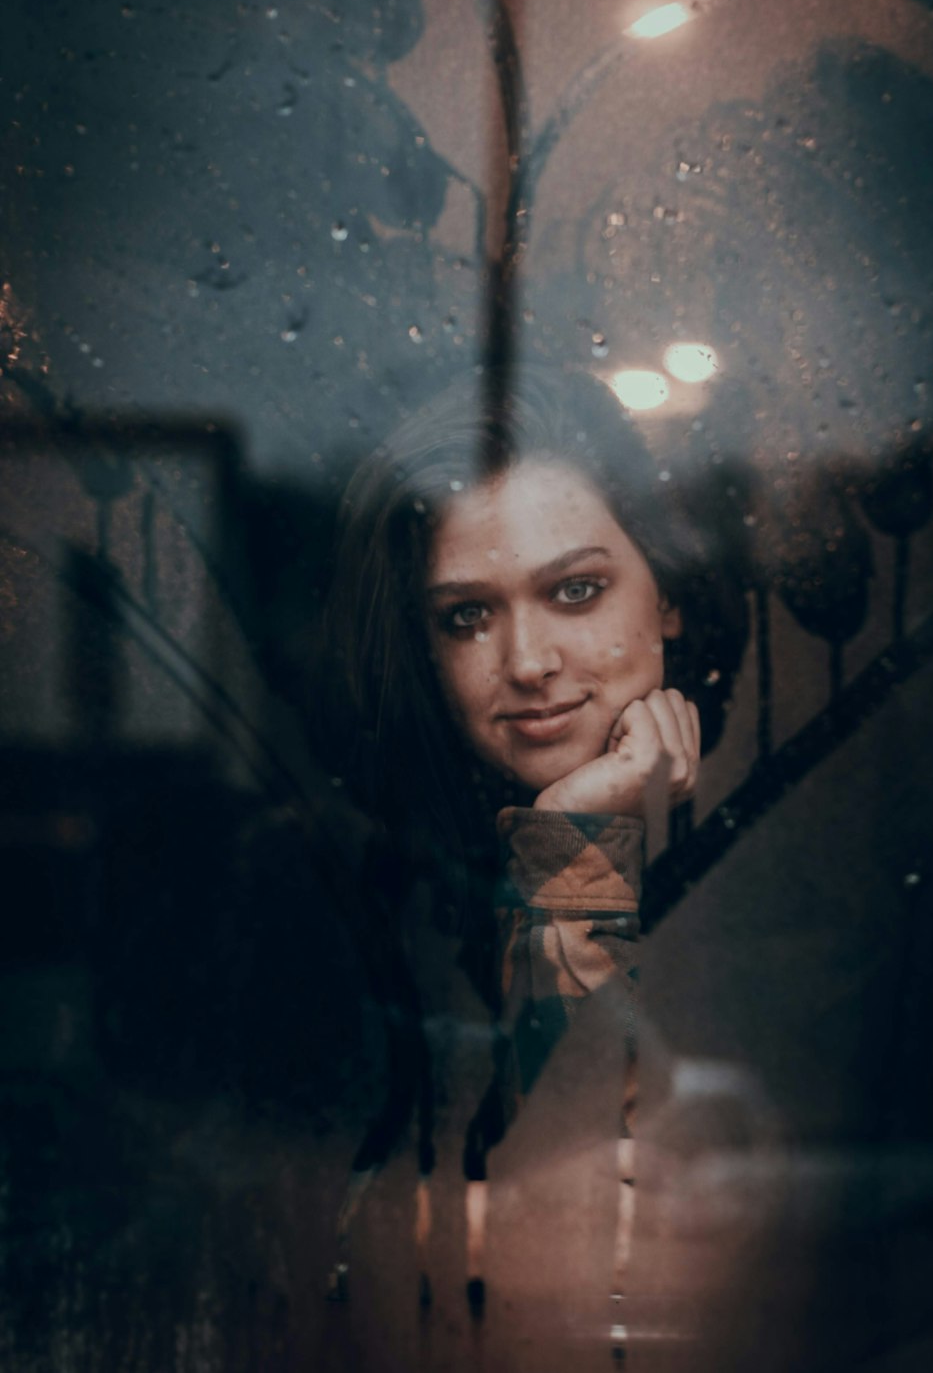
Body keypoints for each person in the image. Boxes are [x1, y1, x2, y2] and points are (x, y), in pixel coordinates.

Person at [324, 365, 707, 1313]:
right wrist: (578, 843)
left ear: (668, 596)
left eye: (575, 592)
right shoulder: (363, 878)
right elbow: (523, 1161)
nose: (529, 662)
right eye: (467, 617)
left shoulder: (783, 852)